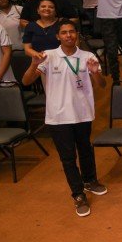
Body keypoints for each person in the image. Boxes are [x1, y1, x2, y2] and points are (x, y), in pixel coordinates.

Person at [21, 21, 106, 216]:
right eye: (64, 33)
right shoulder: (48, 56)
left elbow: (101, 85)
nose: (68, 35)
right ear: (58, 36)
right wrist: (34, 64)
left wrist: (95, 74)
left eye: (71, 32)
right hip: (58, 117)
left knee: (85, 150)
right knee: (68, 158)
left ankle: (90, 180)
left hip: (83, 113)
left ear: (77, 34)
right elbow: (26, 81)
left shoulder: (88, 56)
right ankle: (77, 194)